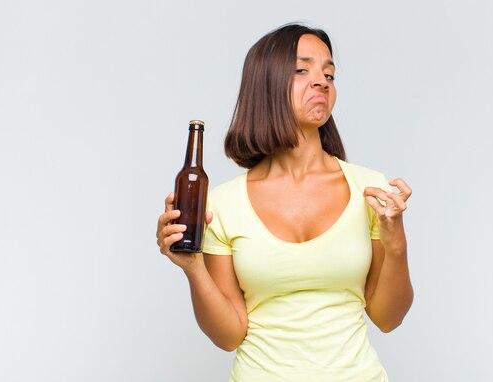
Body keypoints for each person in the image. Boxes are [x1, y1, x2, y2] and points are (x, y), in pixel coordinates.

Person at [156, 23, 413, 381]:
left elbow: (389, 318)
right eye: (302, 70)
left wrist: (396, 243)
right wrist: (194, 268)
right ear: (267, 85)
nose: (322, 81)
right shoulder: (224, 205)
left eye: (330, 73)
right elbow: (229, 335)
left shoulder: (370, 190)